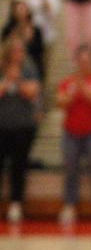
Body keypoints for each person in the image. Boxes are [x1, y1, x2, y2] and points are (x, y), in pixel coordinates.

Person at [56, 44, 91, 231]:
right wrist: (74, 91)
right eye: (81, 61)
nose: (84, 64)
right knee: (70, 169)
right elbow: (60, 102)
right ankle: (69, 205)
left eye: (87, 61)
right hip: (71, 133)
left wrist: (86, 91)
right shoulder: (68, 82)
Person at [0, 36, 41, 225]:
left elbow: (33, 91)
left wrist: (19, 81)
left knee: (19, 166)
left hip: (23, 126)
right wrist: (8, 80)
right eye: (15, 50)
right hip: (2, 125)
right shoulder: (1, 67)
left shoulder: (29, 68)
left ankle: (16, 204)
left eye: (21, 50)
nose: (19, 54)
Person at [13, 0, 61, 85]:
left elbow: (53, 14)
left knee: (42, 71)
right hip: (25, 38)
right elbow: (15, 12)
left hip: (46, 39)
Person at [1, 1, 44, 83]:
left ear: (28, 11)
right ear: (14, 11)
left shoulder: (36, 29)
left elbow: (40, 50)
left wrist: (30, 39)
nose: (21, 12)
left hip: (31, 62)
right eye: (18, 9)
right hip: (10, 63)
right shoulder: (8, 28)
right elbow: (4, 46)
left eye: (23, 9)